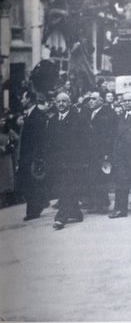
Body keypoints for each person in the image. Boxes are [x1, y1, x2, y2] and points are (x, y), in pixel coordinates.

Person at [45, 92, 86, 230]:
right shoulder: (53, 120)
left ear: (69, 103)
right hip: (58, 162)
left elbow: (85, 141)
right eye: (59, 101)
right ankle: (76, 213)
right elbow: (49, 142)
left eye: (64, 101)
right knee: (65, 188)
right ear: (55, 104)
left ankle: (61, 218)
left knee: (66, 189)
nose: (61, 104)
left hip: (73, 162)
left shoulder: (78, 119)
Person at [14, 90, 48, 219]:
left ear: (28, 99)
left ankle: (33, 210)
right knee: (29, 184)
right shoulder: (30, 114)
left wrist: (37, 157)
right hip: (27, 156)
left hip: (32, 156)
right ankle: (38, 205)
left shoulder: (37, 115)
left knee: (31, 184)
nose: (21, 101)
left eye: (23, 98)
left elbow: (40, 138)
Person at [85, 91, 117, 213]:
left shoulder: (108, 113)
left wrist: (107, 153)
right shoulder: (89, 113)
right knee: (93, 177)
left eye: (94, 99)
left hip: (103, 151)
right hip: (91, 151)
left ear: (101, 101)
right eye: (90, 99)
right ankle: (97, 202)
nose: (90, 101)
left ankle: (103, 204)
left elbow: (111, 135)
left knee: (102, 178)